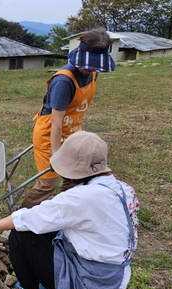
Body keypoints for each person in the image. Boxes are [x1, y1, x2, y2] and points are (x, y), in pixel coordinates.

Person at [0, 131, 139, 289]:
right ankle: (47, 284)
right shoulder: (123, 188)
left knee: (21, 235)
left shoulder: (82, 197)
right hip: (110, 281)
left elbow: (28, 218)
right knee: (48, 230)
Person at [20, 27, 115, 209]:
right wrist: (56, 154)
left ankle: (63, 211)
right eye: (88, 65)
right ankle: (20, 218)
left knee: (76, 177)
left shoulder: (92, 73)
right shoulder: (64, 81)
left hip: (72, 132)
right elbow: (56, 121)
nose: (90, 69)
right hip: (50, 134)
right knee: (48, 183)